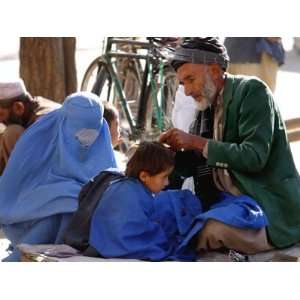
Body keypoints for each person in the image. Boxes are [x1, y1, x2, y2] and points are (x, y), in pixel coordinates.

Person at [160, 37, 300, 255]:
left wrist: (196, 142)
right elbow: (199, 161)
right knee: (166, 212)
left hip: (262, 205)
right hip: (225, 202)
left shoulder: (253, 92)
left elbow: (254, 157)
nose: (186, 91)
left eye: (190, 79)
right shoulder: (206, 107)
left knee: (211, 229)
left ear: (214, 71)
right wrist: (166, 157)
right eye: (182, 83)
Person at [88, 141, 268, 261]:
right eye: (164, 177)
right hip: (118, 246)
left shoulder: (124, 185)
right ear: (144, 176)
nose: (167, 183)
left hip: (99, 244)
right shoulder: (134, 195)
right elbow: (137, 235)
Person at [0, 92, 117, 261]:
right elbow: (17, 182)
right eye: (80, 130)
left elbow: (105, 180)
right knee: (67, 203)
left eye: (92, 132)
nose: (86, 138)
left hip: (83, 219)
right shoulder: (39, 136)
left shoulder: (101, 137)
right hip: (36, 210)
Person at [0, 78, 61, 175]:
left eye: (1, 115)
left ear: (18, 107)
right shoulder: (34, 104)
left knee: (11, 132)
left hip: (55, 178)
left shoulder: (43, 121)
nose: (1, 121)